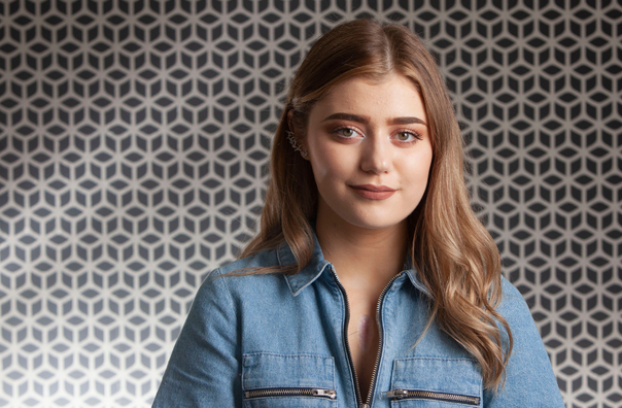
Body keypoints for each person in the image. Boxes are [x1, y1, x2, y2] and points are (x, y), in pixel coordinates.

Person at [152, 18, 564, 407]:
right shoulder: (233, 302)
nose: (377, 161)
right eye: (346, 130)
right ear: (300, 135)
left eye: (405, 134)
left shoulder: (490, 309)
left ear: (435, 146)